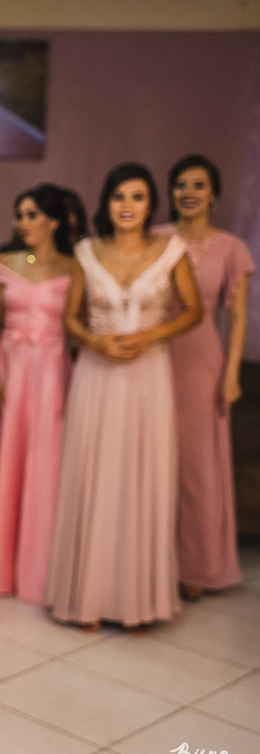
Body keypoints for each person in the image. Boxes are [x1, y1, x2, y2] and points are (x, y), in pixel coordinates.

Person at [46, 164, 203, 629]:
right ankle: (86, 599)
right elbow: (71, 318)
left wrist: (152, 334)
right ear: (107, 203)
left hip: (148, 376)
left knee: (142, 474)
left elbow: (195, 310)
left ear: (151, 204)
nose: (127, 205)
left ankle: (139, 602)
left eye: (137, 197)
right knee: (95, 475)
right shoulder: (86, 251)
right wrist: (94, 342)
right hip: (97, 374)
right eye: (119, 196)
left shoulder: (172, 250)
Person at [158, 156, 253, 600]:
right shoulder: (155, 238)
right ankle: (154, 561)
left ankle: (195, 565)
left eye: (198, 184)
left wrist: (232, 373)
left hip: (202, 362)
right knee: (156, 461)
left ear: (214, 193)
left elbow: (237, 318)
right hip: (155, 356)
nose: (188, 192)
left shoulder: (231, 247)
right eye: (180, 184)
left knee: (197, 465)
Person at [0, 185, 76, 604]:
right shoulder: (5, 261)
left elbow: (79, 326)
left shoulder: (76, 267)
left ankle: (37, 570)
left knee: (46, 462)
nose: (23, 222)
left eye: (33, 214)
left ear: (55, 220)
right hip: (12, 365)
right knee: (9, 459)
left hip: (54, 370)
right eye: (20, 214)